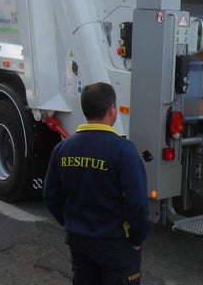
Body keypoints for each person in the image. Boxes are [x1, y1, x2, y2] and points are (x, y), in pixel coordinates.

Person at [43, 82, 150, 285]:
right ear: (112, 109)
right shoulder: (123, 150)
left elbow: (50, 196)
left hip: (79, 242)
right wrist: (136, 239)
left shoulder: (63, 148)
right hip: (116, 246)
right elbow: (137, 203)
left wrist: (72, 223)